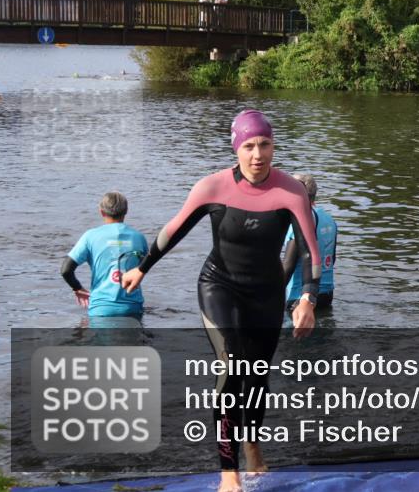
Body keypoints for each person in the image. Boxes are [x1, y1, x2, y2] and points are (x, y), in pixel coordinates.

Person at [120, 110, 321, 492]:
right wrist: (143, 268)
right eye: (249, 146)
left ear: (274, 145)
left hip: (266, 292)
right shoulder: (212, 188)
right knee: (230, 367)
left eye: (265, 144)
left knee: (257, 377)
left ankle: (252, 446)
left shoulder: (291, 191)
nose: (258, 154)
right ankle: (228, 470)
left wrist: (308, 298)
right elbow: (174, 229)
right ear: (236, 149)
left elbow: (310, 250)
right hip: (219, 286)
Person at [60, 192, 148, 323]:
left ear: (101, 212)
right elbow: (144, 268)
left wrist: (77, 288)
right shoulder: (139, 238)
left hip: (100, 309)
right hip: (132, 309)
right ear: (126, 211)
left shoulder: (90, 237)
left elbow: (66, 270)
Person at [283, 174, 336, 310]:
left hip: (300, 298)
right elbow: (332, 258)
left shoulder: (299, 220)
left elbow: (288, 266)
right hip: (326, 294)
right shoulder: (330, 220)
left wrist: (267, 296)